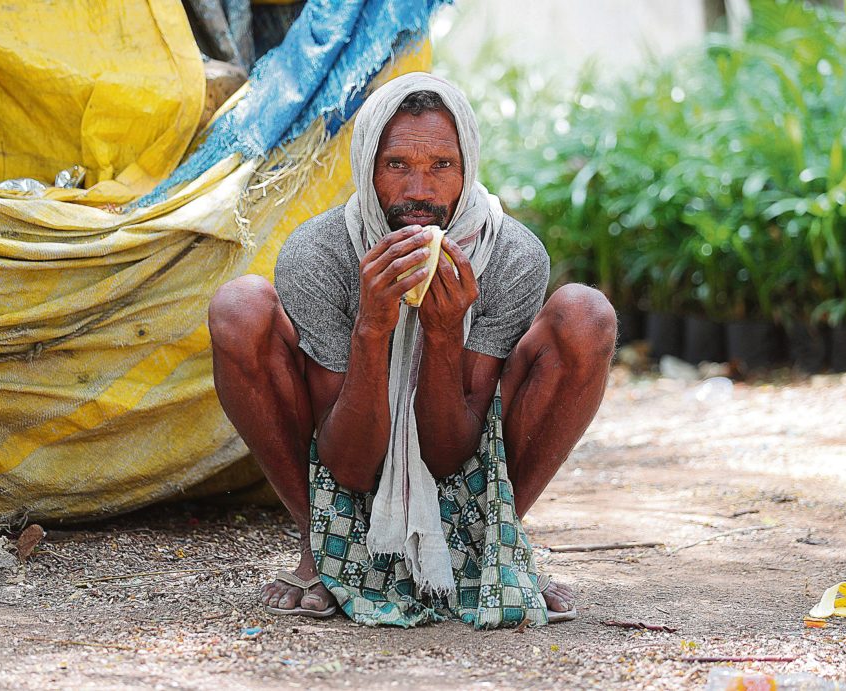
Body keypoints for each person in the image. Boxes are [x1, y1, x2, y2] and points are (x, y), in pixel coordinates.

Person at [208, 72, 616, 628]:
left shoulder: (511, 256)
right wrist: (373, 330)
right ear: (366, 169)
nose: (419, 191)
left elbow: (450, 452)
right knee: (239, 307)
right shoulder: (319, 253)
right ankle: (320, 547)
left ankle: (499, 541)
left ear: (467, 167)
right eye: (396, 165)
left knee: (586, 315)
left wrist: (446, 337)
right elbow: (348, 463)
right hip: (348, 459)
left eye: (441, 166)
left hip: (466, 465)